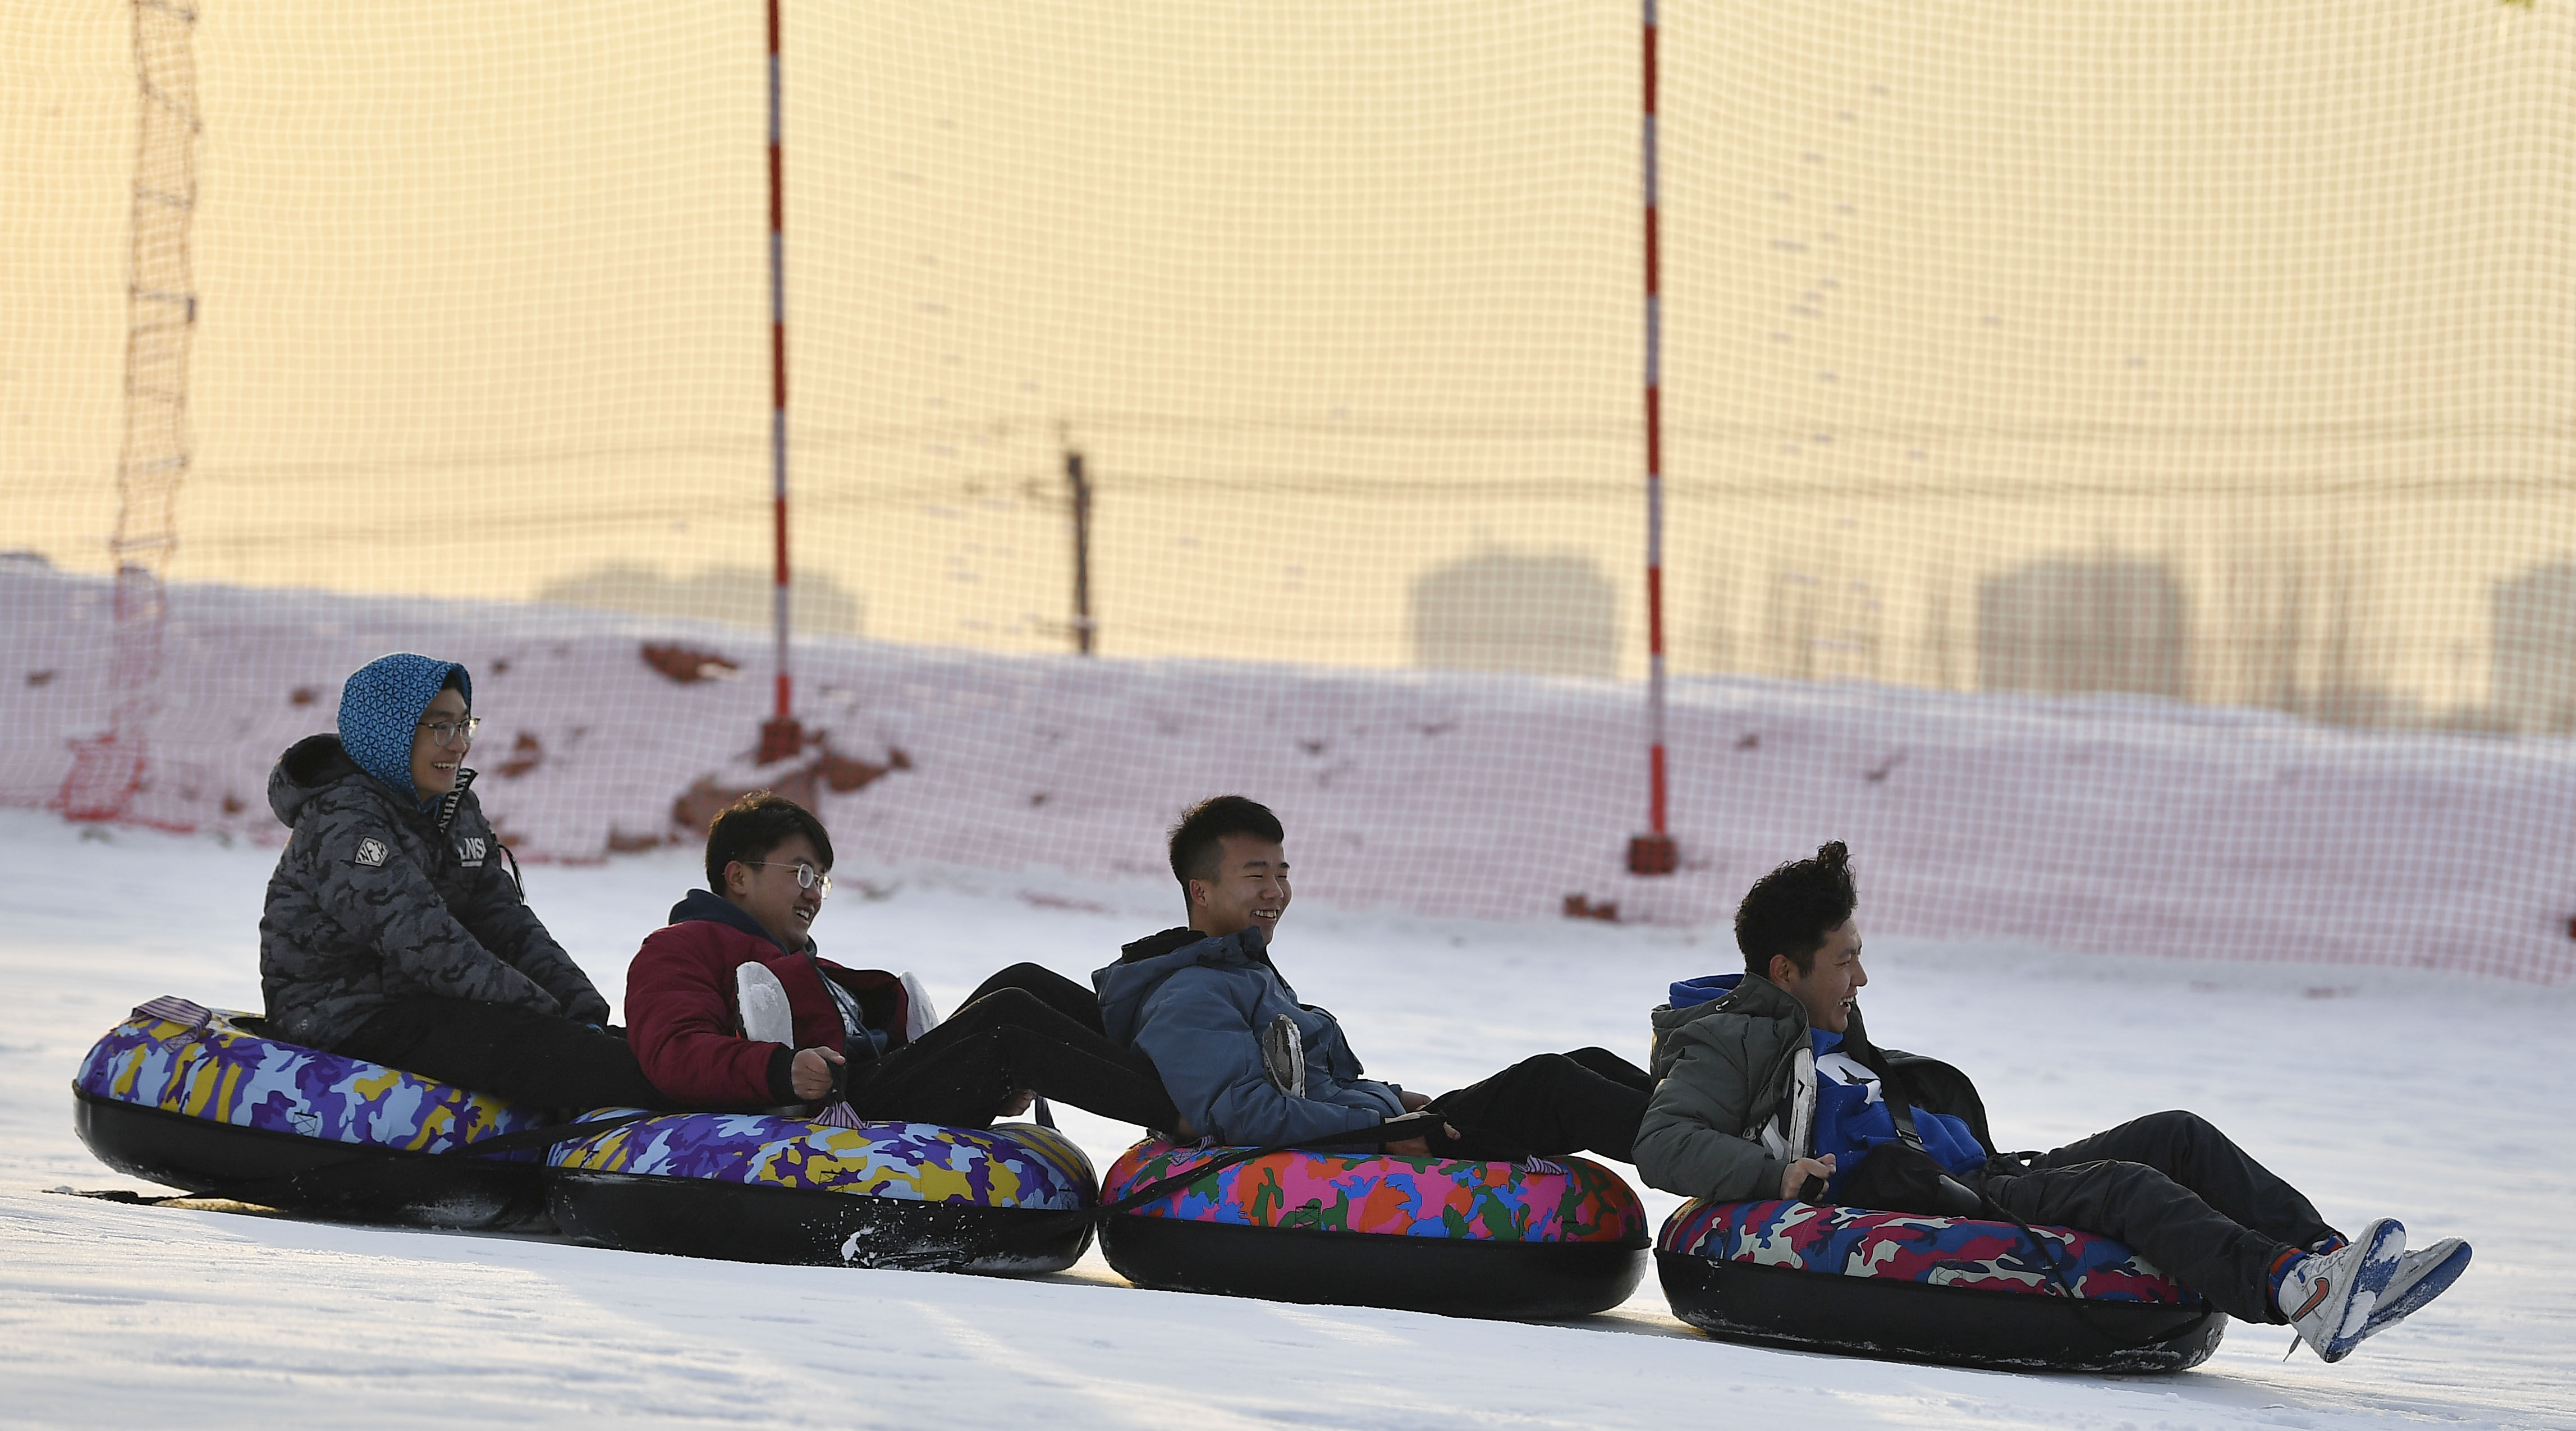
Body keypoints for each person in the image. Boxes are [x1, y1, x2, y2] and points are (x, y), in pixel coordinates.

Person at [1634, 841, 2472, 1364]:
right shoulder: (1734, 1039)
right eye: (1843, 958)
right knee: (2122, 1187)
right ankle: (2295, 1291)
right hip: (1950, 1200)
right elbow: (1664, 1141)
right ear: (1785, 970)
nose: (1861, 976)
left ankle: (2336, 1264)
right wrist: (1779, 1176)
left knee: (2174, 1134)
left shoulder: (1824, 1021)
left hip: (1981, 1169)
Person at [1093, 795, 1649, 1162]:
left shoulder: (1240, 972)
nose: (1275, 893)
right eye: (1255, 876)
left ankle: (1709, 1133)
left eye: (1281, 875)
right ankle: (1712, 1161)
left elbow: (1310, 1082)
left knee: (1586, 1064)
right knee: (1552, 1084)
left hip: (1384, 1125)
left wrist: (1391, 1097)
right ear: (1201, 890)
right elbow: (1244, 1113)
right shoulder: (1192, 992)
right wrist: (1381, 1131)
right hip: (1370, 1146)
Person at [623, 792, 1180, 1133]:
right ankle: (1181, 1113)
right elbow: (671, 1052)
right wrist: (779, 1069)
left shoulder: (811, 967)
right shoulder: (682, 946)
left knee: (1022, 982)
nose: (813, 894)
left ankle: (1187, 1071)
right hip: (838, 1104)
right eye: (800, 873)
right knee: (1008, 1021)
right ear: (738, 875)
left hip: (879, 1079)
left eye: (821, 880)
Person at [260, 653, 667, 1109]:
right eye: (440, 727)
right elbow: (423, 940)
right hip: (341, 1016)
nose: (458, 746)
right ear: (389, 734)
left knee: (577, 1040)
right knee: (529, 1047)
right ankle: (682, 1100)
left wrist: (578, 1005)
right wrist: (542, 1014)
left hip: (422, 1001)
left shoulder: (456, 808)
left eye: (464, 726)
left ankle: (698, 1083)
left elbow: (502, 917)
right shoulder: (343, 822)